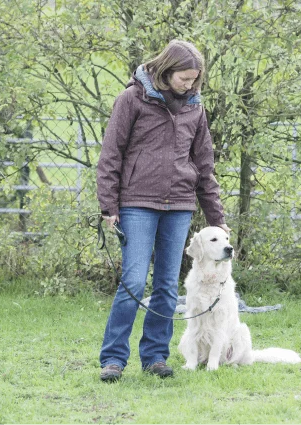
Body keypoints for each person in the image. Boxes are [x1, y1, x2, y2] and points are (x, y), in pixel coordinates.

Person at [96, 39, 231, 382]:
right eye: (185, 78)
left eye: (195, 80)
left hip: (180, 206)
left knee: (168, 286)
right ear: (166, 70)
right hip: (137, 203)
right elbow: (112, 152)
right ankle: (113, 359)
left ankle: (155, 356)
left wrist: (216, 218)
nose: (190, 85)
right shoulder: (132, 99)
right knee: (133, 280)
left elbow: (204, 164)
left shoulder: (195, 108)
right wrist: (108, 204)